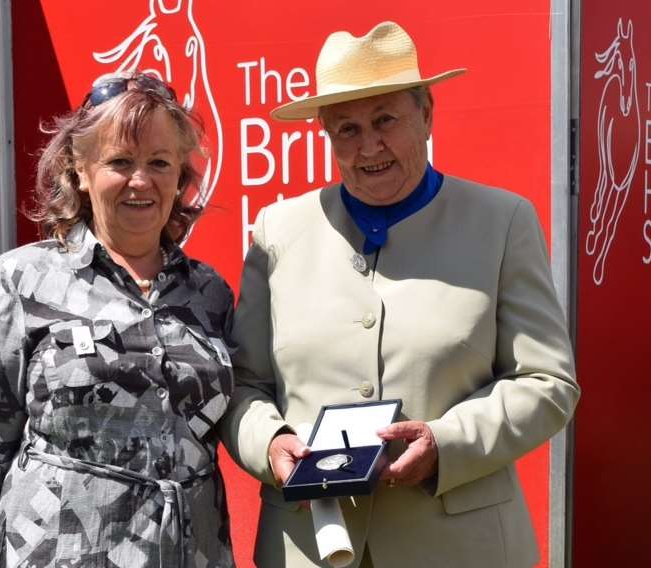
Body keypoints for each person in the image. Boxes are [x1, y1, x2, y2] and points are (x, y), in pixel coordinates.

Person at [220, 21, 580, 568]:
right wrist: (270, 444)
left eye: (385, 120)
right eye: (346, 129)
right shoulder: (278, 231)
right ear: (324, 133)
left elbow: (548, 382)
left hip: (460, 548)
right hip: (312, 545)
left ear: (427, 114)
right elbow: (244, 384)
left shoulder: (502, 222)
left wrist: (446, 442)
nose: (369, 146)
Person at [0, 72, 235, 567]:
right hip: (63, 552)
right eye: (120, 161)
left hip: (193, 552)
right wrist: (10, 535)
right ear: (79, 169)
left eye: (159, 163)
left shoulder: (209, 291)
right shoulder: (21, 280)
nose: (140, 181)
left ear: (179, 177)